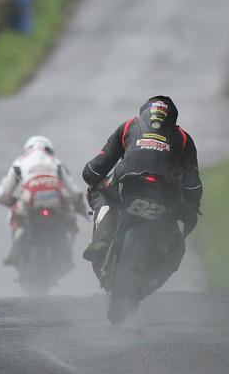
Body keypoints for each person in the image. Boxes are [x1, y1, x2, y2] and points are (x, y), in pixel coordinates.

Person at [80, 96, 203, 276]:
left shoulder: (129, 125)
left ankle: (102, 239)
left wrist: (92, 177)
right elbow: (192, 184)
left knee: (97, 190)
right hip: (166, 190)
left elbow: (94, 170)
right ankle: (168, 251)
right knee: (189, 214)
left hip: (126, 180)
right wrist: (191, 205)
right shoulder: (183, 137)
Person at [0, 135, 86, 266]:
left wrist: (10, 202)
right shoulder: (55, 161)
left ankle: (15, 250)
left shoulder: (20, 161)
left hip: (30, 202)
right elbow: (74, 192)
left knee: (15, 217)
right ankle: (66, 254)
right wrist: (78, 205)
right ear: (49, 149)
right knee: (70, 219)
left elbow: (2, 194)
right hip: (56, 203)